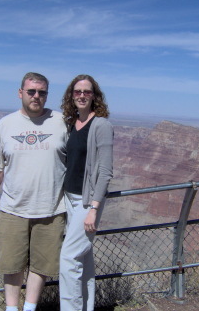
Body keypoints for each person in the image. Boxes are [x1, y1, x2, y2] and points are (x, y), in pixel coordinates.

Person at [0, 72, 67, 311]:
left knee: (41, 265)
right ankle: (12, 308)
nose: (37, 96)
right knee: (12, 264)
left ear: (47, 94)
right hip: (13, 208)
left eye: (42, 92)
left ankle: (30, 308)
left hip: (51, 208)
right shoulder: (5, 125)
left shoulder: (61, 121)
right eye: (31, 91)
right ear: (20, 93)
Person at [59, 74, 114, 311]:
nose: (82, 95)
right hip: (69, 199)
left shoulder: (101, 125)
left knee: (69, 259)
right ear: (72, 95)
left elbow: (105, 171)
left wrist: (93, 208)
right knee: (83, 260)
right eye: (78, 91)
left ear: (95, 96)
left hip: (86, 203)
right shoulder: (71, 124)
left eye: (87, 91)